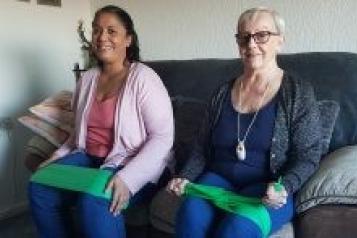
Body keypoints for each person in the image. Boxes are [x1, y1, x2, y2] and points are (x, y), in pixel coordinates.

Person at [168, 7, 324, 238]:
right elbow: (201, 147)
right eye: (244, 36)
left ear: (280, 41)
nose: (251, 44)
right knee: (189, 216)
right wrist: (186, 176)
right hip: (217, 180)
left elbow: (308, 154)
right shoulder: (222, 92)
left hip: (266, 189)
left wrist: (285, 186)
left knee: (236, 229)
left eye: (262, 35)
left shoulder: (298, 93)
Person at [29, 5, 174, 238]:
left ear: (128, 39)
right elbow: (78, 134)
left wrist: (129, 179)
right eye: (97, 30)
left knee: (95, 199)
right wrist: (54, 159)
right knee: (40, 184)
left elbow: (162, 138)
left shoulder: (145, 79)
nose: (102, 37)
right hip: (90, 157)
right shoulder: (86, 79)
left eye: (111, 31)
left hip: (137, 163)